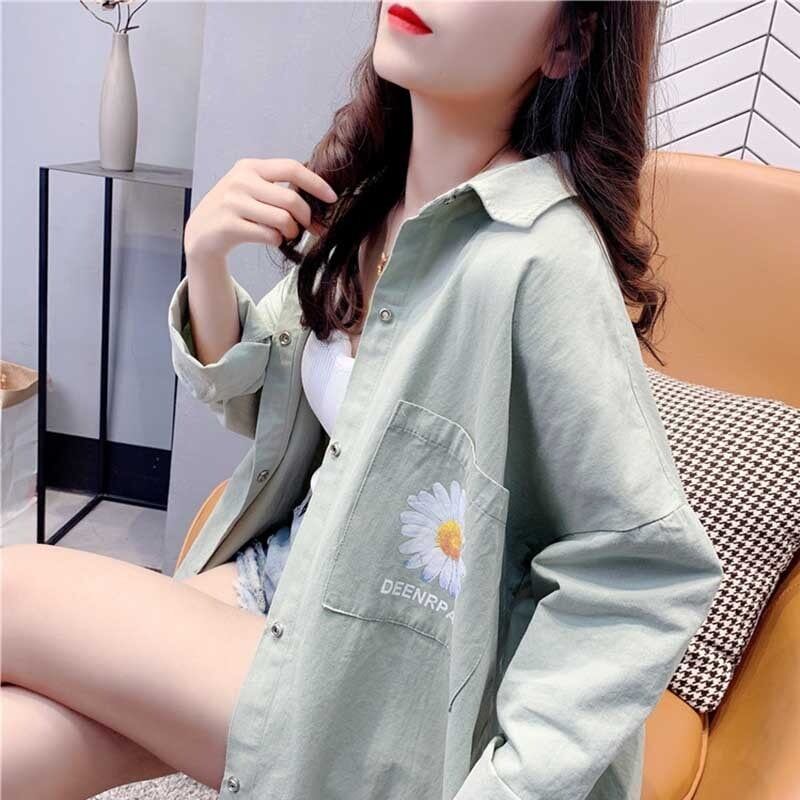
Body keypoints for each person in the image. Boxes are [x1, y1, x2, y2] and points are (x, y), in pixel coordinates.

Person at [1, 2, 725, 799]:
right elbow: (262, 404)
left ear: (567, 42)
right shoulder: (372, 204)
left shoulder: (540, 260)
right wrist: (205, 258)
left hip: (376, 679)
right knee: (22, 734)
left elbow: (640, 569)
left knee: (12, 592)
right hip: (281, 580)